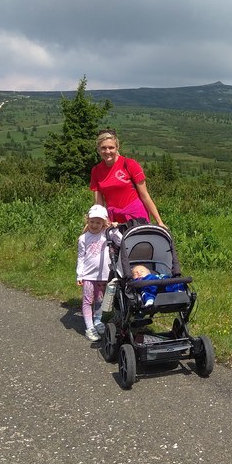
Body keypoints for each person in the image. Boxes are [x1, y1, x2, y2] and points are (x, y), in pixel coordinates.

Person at [90, 129, 165, 227]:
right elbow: (99, 203)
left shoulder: (130, 164)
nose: (107, 151)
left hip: (136, 216)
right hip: (114, 220)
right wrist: (103, 219)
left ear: (117, 147)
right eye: (103, 148)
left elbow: (145, 196)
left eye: (111, 147)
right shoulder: (96, 171)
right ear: (98, 149)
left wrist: (159, 222)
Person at [76, 204, 118, 341]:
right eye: (92, 221)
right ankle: (89, 327)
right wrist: (79, 274)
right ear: (87, 220)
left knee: (100, 299)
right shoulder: (83, 238)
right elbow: (81, 257)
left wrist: (115, 229)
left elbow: (121, 240)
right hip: (88, 275)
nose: (94, 225)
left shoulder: (107, 234)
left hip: (103, 275)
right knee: (88, 301)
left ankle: (98, 321)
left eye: (98, 222)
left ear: (104, 223)